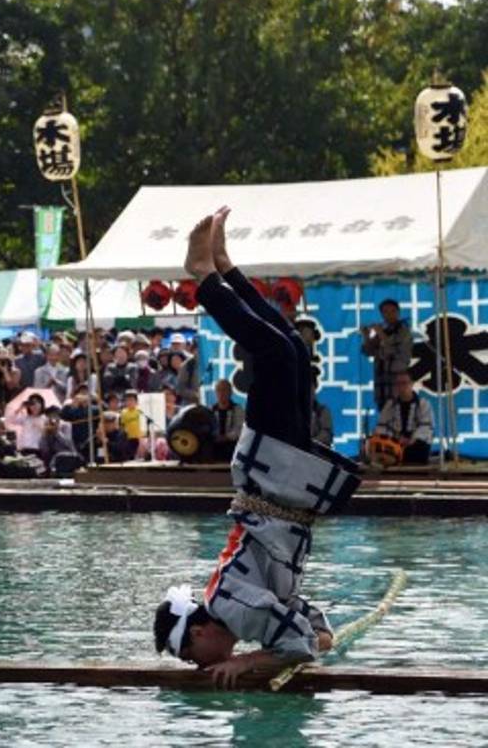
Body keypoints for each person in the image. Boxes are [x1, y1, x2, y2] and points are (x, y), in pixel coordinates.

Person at [153, 207, 359, 688]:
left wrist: (251, 662)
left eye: (193, 655)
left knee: (274, 355)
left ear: (200, 631)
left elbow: (301, 644)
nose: (202, 664)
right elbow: (315, 633)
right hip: (280, 482)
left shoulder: (232, 607)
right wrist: (287, 648)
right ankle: (225, 268)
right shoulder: (242, 606)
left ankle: (204, 278)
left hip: (270, 476)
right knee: (293, 354)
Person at [361, 298, 412, 411]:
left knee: (400, 410)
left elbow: (392, 349)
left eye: (392, 311)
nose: (389, 315)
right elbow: (368, 351)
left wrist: (380, 332)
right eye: (385, 312)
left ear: (398, 313)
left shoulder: (403, 330)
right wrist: (366, 336)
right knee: (384, 412)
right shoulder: (384, 330)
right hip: (382, 377)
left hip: (398, 377)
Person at [373, 373, 433, 465]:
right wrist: (394, 439)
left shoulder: (423, 404)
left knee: (420, 448)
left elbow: (426, 427)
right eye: (398, 384)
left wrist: (412, 439)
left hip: (415, 445)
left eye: (404, 383)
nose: (401, 387)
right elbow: (382, 426)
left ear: (411, 384)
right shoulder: (390, 405)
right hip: (394, 444)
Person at [210, 379, 245, 463]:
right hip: (215, 449)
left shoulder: (238, 409)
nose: (222, 393)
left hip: (232, 448)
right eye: (219, 390)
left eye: (224, 390)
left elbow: (239, 429)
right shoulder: (211, 410)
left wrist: (225, 437)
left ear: (230, 392)